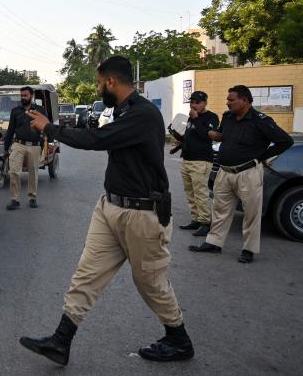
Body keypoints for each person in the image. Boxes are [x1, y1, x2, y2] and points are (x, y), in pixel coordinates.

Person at [19, 56, 193, 366]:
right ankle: (61, 341)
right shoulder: (123, 111)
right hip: (110, 207)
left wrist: (51, 129)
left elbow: (96, 140)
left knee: (150, 282)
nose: (99, 89)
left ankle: (178, 339)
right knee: (86, 275)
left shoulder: (143, 115)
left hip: (142, 215)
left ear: (111, 82)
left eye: (100, 83)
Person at [189, 85, 293, 263]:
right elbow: (222, 135)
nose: (227, 103)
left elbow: (285, 141)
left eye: (231, 100)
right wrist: (212, 133)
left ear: (245, 100)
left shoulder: (261, 120)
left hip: (248, 173)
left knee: (251, 213)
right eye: (227, 99)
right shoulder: (228, 117)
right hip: (225, 171)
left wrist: (262, 157)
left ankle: (248, 249)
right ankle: (214, 242)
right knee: (220, 210)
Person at [177, 91, 220, 237]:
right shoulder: (191, 117)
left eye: (197, 102)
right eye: (192, 102)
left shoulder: (211, 117)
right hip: (187, 159)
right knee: (190, 192)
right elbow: (191, 135)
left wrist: (195, 119)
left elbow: (205, 135)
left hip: (201, 160)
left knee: (200, 193)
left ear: (205, 103)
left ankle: (205, 223)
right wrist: (181, 141)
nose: (194, 105)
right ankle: (195, 219)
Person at [4, 86, 47, 210]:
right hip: (18, 144)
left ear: (31, 96)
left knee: (33, 173)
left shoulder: (40, 110)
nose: (23, 97)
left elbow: (46, 127)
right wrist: (6, 148)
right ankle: (14, 199)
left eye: (25, 95)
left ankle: (32, 197)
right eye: (21, 95)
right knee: (14, 171)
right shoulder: (15, 111)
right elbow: (11, 130)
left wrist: (48, 144)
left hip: (34, 146)